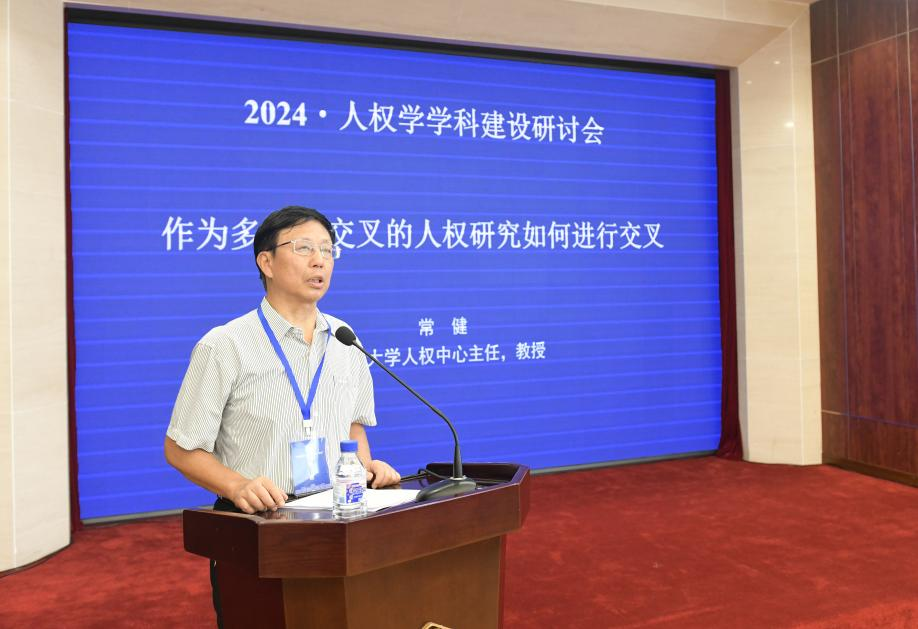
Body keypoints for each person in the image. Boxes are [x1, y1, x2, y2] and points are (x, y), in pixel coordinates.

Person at [164, 206, 400, 624]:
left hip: (338, 526)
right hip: (258, 527)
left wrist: (365, 468)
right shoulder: (225, 345)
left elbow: (353, 427)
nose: (320, 260)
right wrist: (238, 485)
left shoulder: (346, 340)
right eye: (304, 248)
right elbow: (181, 449)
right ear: (266, 262)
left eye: (328, 250)